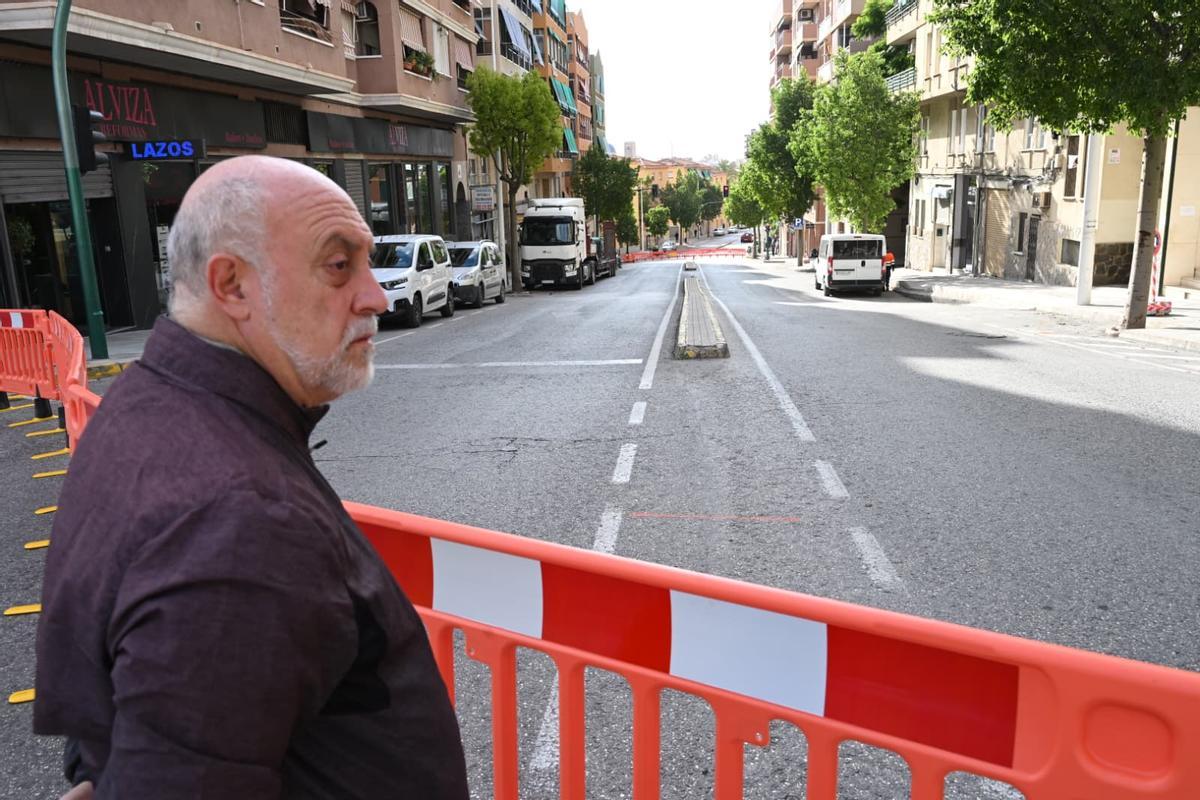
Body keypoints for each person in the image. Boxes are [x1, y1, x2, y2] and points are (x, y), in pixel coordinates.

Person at [34, 156, 469, 799]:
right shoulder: (242, 520)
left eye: (368, 263)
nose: (376, 296)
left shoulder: (143, 404)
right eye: (338, 265)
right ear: (232, 285)